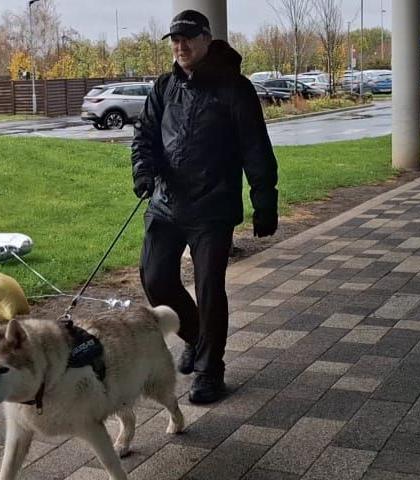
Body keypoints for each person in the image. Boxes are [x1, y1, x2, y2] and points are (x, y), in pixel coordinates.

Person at [131, 9, 278, 404]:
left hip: (212, 209)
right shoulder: (164, 87)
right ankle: (196, 338)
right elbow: (144, 135)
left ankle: (211, 370)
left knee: (210, 288)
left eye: (188, 38)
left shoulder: (235, 88)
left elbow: (255, 148)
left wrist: (264, 201)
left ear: (206, 40)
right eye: (175, 40)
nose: (180, 46)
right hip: (164, 204)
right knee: (155, 279)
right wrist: (144, 172)